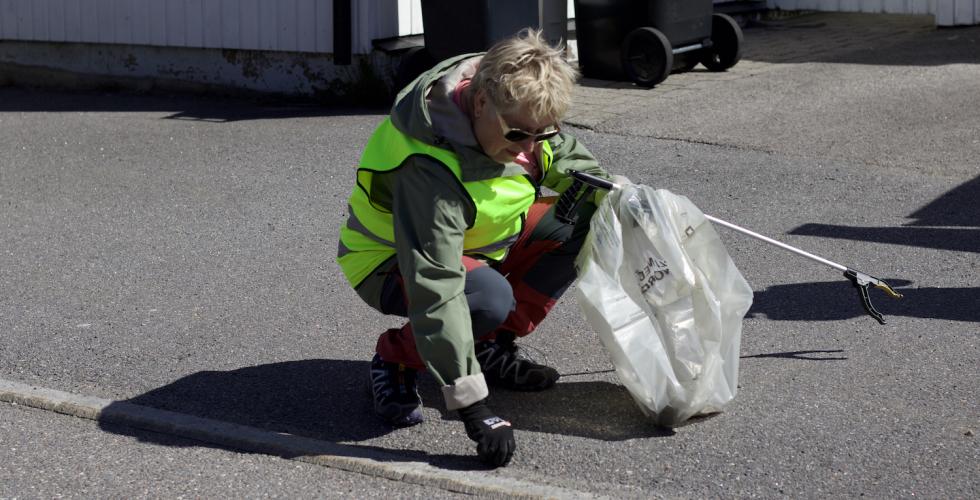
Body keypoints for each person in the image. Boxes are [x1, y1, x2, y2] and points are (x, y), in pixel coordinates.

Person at [336, 29, 611, 467]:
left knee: (585, 219)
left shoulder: (519, 110)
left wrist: (621, 198)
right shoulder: (426, 166)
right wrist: (473, 408)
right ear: (480, 103)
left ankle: (488, 346)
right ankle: (395, 358)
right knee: (486, 298)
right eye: (519, 134)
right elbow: (436, 283)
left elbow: (568, 161)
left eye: (544, 133)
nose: (529, 148)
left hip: (478, 245)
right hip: (390, 261)